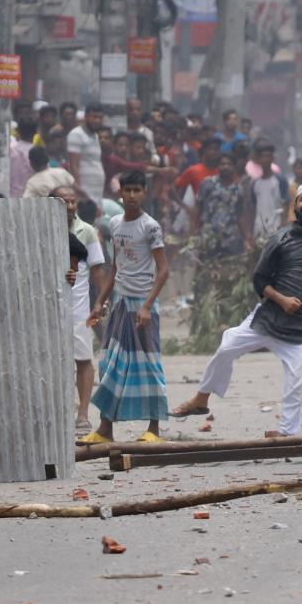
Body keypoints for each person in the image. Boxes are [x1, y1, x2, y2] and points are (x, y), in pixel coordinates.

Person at [168, 184, 302, 433]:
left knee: (298, 377)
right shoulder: (280, 239)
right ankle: (201, 399)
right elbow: (260, 280)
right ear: (295, 207)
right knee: (226, 347)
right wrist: (282, 300)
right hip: (269, 319)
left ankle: (287, 433)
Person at [79, 170, 171, 445]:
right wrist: (100, 301)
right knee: (111, 364)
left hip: (143, 307)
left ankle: (153, 429)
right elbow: (116, 268)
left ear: (144, 193)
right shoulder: (115, 224)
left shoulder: (150, 226)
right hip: (120, 304)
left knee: (148, 365)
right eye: (127, 190)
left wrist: (146, 306)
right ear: (120, 192)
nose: (132, 195)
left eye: (137, 190)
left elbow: (163, 271)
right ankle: (105, 429)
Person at [53, 186, 107, 433]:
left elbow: (97, 269)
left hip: (78, 308)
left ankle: (83, 414)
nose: (71, 206)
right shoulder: (42, 230)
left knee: (84, 359)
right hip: (50, 308)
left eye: (73, 202)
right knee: (54, 361)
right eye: (65, 202)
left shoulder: (87, 232)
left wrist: (100, 302)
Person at [197, 152, 248, 261]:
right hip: (209, 234)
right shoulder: (207, 184)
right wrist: (194, 232)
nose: (226, 167)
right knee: (205, 268)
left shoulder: (238, 189)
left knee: (231, 269)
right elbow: (198, 209)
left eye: (229, 164)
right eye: (222, 164)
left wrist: (247, 238)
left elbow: (241, 215)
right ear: (218, 166)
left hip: (231, 237)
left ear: (234, 167)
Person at [246, 139, 290, 242]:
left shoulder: (280, 180)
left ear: (272, 158)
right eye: (262, 156)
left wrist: (283, 224)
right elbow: (252, 208)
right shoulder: (255, 184)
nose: (265, 159)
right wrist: (250, 230)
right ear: (258, 159)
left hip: (277, 227)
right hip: (259, 228)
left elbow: (286, 203)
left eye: (268, 156)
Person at [67, 104, 106, 202]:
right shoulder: (76, 134)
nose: (97, 120)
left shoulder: (95, 136)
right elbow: (73, 166)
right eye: (94, 117)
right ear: (86, 117)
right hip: (83, 193)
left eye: (100, 118)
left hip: (96, 193)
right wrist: (79, 191)